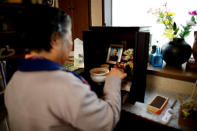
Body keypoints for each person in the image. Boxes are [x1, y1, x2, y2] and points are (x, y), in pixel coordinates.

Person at [4, 5, 127, 131]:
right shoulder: (65, 84)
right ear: (55, 39)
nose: (71, 43)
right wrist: (113, 79)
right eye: (70, 36)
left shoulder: (14, 81)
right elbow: (107, 121)